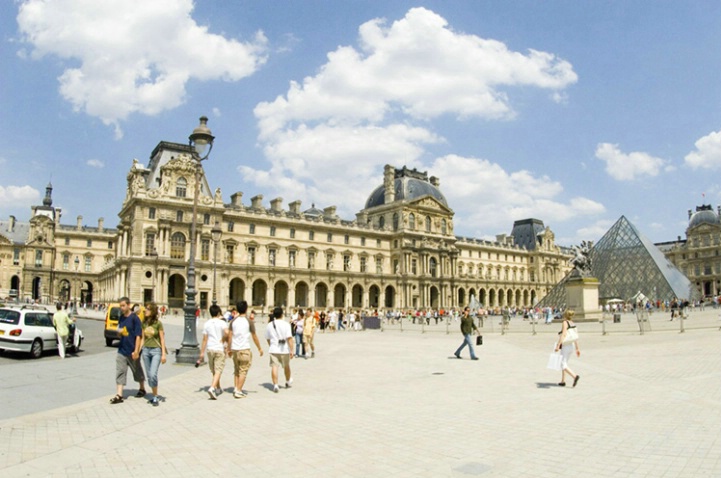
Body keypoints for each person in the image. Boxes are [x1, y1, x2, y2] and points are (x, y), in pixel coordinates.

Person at [110, 297, 146, 404]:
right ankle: (119, 395)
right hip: (122, 349)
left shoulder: (135, 318)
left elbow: (138, 336)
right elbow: (119, 332)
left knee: (136, 370)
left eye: (123, 305)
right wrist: (119, 332)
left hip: (132, 349)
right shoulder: (121, 318)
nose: (121, 308)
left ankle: (142, 388)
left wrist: (136, 351)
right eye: (120, 306)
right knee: (120, 371)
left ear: (128, 305)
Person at [228, 301, 264, 399]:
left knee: (236, 369)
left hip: (235, 349)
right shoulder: (249, 321)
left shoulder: (233, 321)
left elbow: (230, 336)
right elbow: (254, 336)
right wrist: (259, 348)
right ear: (246, 309)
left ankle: (236, 388)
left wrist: (228, 349)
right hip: (244, 348)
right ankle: (239, 391)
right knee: (243, 370)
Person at [198, 304, 229, 399]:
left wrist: (202, 353)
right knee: (219, 370)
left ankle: (218, 388)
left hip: (210, 348)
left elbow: (204, 339)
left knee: (214, 370)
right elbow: (227, 333)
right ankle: (212, 388)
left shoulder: (207, 323)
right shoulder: (222, 323)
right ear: (219, 312)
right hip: (219, 348)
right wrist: (224, 341)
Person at [140, 302, 166, 406]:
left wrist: (163, 354)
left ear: (153, 311)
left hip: (156, 351)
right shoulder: (144, 323)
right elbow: (142, 338)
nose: (145, 310)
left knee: (152, 374)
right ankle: (155, 393)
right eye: (146, 308)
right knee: (149, 376)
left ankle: (155, 396)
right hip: (146, 351)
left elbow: (162, 339)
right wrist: (137, 351)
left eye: (148, 309)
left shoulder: (158, 324)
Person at [265, 307, 294, 393]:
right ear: (282, 314)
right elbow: (289, 338)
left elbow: (267, 338)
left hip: (274, 348)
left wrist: (271, 345)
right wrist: (292, 350)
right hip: (284, 349)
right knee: (286, 366)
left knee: (274, 366)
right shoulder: (286, 324)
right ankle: (288, 381)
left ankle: (275, 385)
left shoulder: (269, 325)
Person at [555, 310, 581, 387]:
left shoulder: (565, 322)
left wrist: (558, 345)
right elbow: (575, 336)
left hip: (566, 345)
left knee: (562, 364)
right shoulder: (573, 323)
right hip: (571, 345)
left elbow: (563, 334)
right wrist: (577, 348)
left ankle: (575, 376)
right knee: (565, 362)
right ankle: (563, 381)